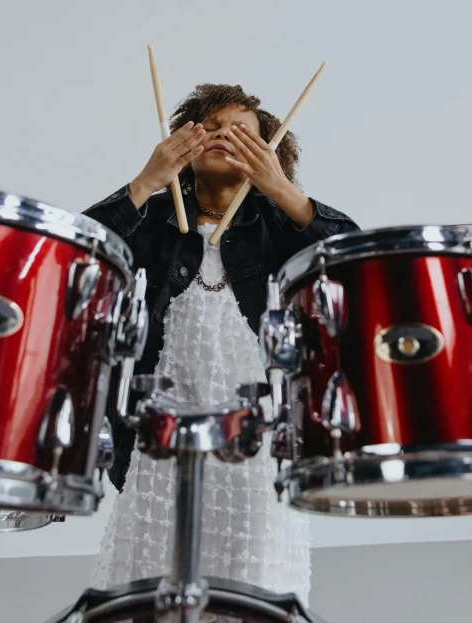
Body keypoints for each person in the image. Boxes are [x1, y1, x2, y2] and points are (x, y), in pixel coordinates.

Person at [85, 84, 359, 606]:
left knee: (252, 596)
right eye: (209, 128)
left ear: (270, 149)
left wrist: (279, 187)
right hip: (156, 441)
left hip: (256, 445)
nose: (222, 138)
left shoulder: (281, 219)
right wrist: (147, 180)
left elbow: (352, 260)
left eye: (241, 131)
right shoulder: (153, 215)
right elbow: (73, 253)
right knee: (150, 596)